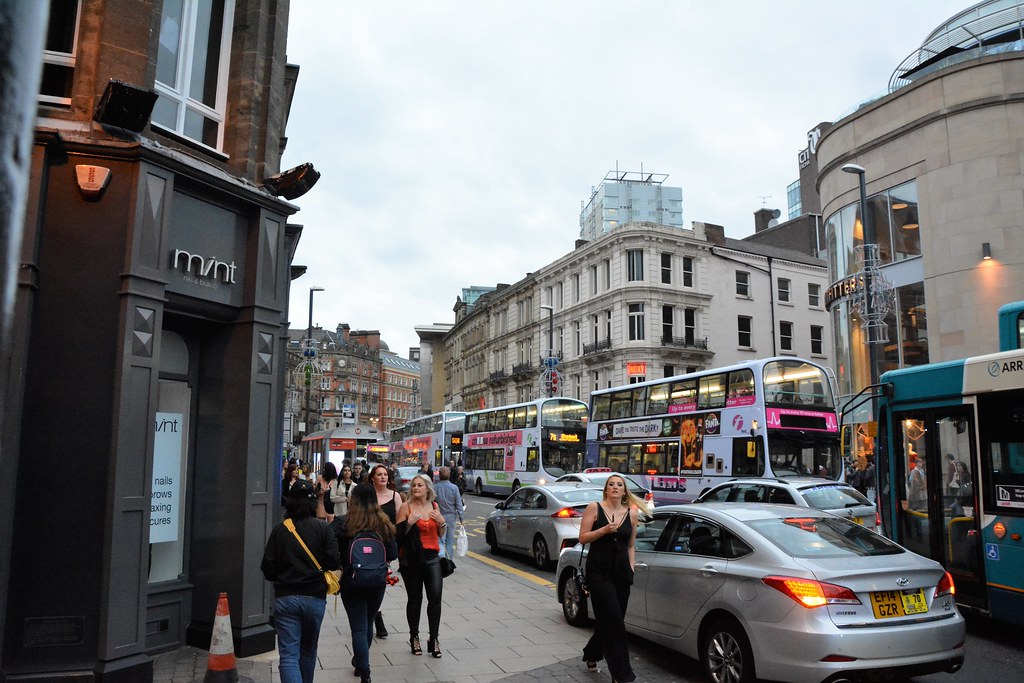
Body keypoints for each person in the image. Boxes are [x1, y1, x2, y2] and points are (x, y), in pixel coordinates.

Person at [261, 479, 341, 683]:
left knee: (288, 655)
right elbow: (333, 561)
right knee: (308, 651)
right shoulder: (323, 529)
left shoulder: (280, 530)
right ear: (313, 503)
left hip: (286, 597)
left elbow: (267, 567)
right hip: (314, 598)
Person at [578, 473, 644, 683]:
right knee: (614, 620)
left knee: (612, 619)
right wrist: (604, 530)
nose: (615, 487)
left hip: (622, 572)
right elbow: (582, 537)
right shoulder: (594, 507)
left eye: (619, 485)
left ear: (624, 491)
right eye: (611, 484)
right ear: (606, 490)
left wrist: (631, 568)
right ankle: (621, 675)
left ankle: (592, 653)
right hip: (599, 571)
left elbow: (631, 545)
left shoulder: (631, 513)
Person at [332, 484, 398, 683]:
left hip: (351, 582)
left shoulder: (343, 523)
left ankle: (365, 670)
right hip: (377, 581)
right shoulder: (383, 523)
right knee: (368, 622)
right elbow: (393, 553)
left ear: (354, 500)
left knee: (358, 628)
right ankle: (361, 663)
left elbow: (330, 551)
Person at [396, 474, 447, 658]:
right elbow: (398, 537)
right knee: (415, 599)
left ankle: (434, 638)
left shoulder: (434, 506)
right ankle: (414, 636)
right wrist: (409, 524)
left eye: (420, 485)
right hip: (412, 559)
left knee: (435, 598)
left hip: (433, 558)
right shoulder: (405, 507)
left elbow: (441, 534)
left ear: (427, 488)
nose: (416, 488)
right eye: (414, 485)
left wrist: (442, 522)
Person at [370, 463, 403, 638]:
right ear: (373, 478)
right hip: (368, 544)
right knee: (371, 578)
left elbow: (399, 522)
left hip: (386, 546)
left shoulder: (395, 496)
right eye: (379, 474)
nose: (383, 477)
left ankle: (377, 615)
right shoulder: (368, 496)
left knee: (380, 580)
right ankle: (375, 614)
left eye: (385, 474)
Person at [434, 466, 465, 559]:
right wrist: (461, 519)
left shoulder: (435, 487)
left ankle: (441, 559)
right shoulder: (454, 488)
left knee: (440, 540)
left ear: (439, 475)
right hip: (451, 517)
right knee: (449, 541)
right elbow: (459, 504)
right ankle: (449, 560)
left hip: (439, 517)